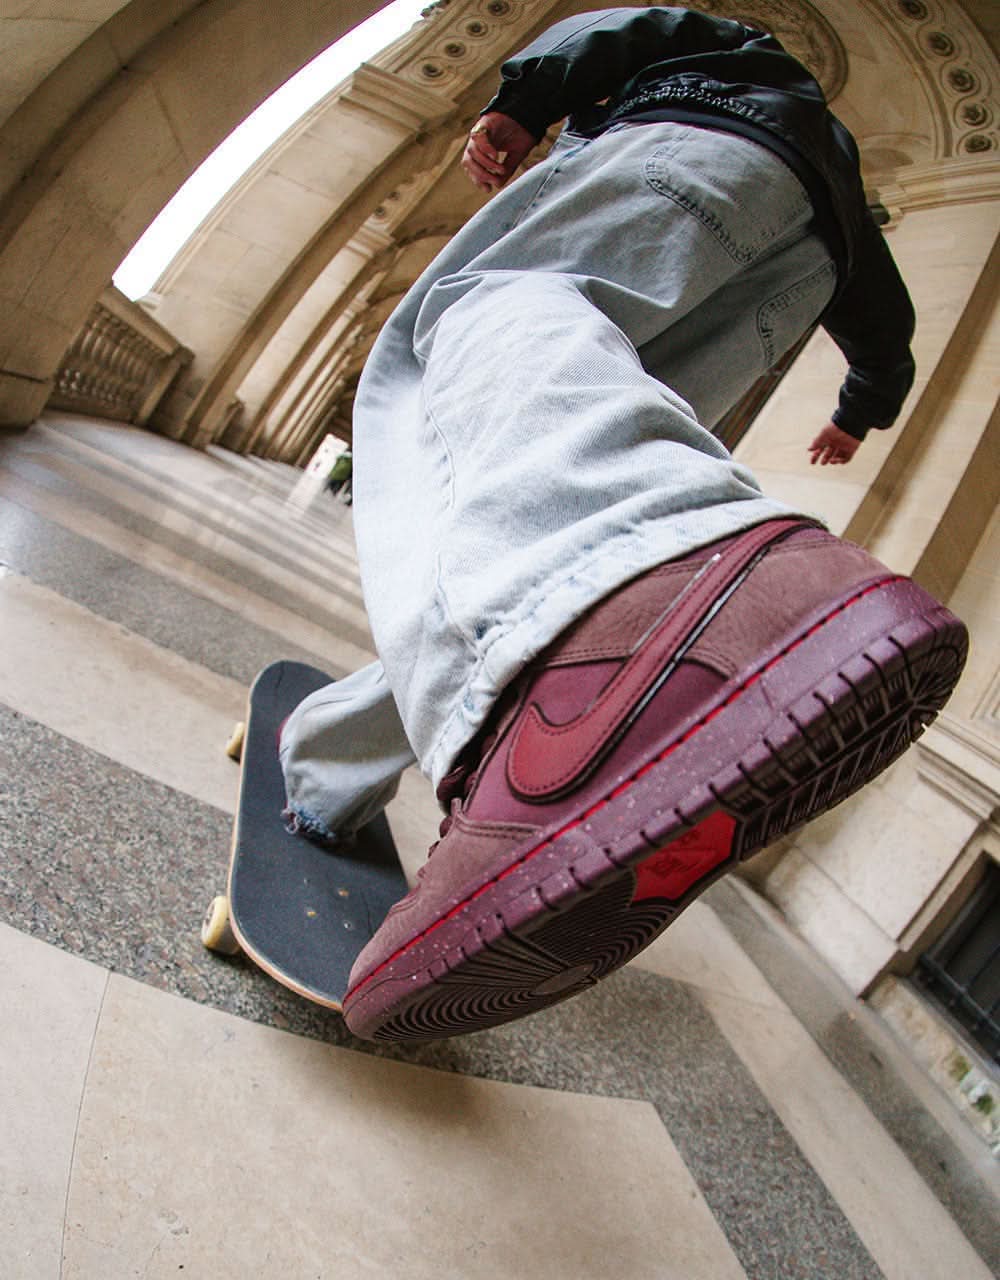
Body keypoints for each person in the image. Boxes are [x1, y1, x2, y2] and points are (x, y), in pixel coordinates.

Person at [278, 7, 967, 1042]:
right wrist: (857, 406)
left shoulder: (736, 54)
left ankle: (716, 598)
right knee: (550, 542)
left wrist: (524, 100)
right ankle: (408, 762)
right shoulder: (836, 178)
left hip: (691, 158)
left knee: (487, 310)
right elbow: (889, 328)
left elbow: (631, 26)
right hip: (798, 275)